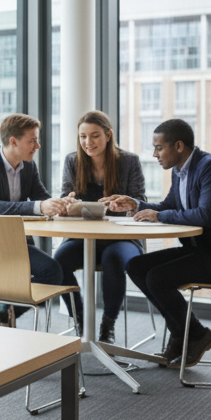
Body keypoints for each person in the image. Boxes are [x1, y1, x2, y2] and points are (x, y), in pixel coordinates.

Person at [104, 119, 211, 368]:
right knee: (137, 266)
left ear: (179, 146)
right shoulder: (180, 170)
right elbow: (169, 206)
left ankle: (191, 334)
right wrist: (136, 205)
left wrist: (159, 216)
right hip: (201, 251)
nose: (155, 154)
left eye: (159, 148)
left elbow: (206, 216)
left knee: (157, 278)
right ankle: (188, 333)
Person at [52, 110, 146, 342]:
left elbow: (139, 202)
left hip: (122, 238)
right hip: (84, 238)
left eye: (94, 136)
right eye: (83, 137)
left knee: (112, 258)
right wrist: (67, 203)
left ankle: (107, 326)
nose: (88, 142)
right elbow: (65, 196)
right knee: (59, 262)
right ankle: (81, 320)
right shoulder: (72, 161)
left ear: (108, 135)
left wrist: (122, 204)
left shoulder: (129, 161)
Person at [0, 113, 71, 325]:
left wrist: (60, 204)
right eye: (32, 140)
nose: (38, 146)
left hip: (17, 244)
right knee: (51, 272)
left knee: (52, 273)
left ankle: (3, 312)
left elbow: (41, 198)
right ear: (13, 141)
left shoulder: (28, 167)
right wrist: (39, 207)